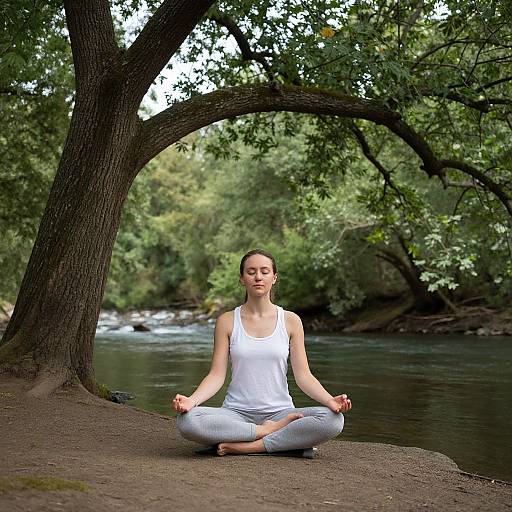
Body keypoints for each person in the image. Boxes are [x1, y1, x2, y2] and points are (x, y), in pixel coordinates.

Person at [171, 249, 352, 456]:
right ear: (242, 278)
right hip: (235, 413)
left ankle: (251, 445)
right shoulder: (227, 321)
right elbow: (216, 375)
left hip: (281, 413)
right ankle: (268, 434)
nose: (258, 277)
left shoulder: (291, 321)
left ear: (274, 278)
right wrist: (191, 401)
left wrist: (330, 401)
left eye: (264, 271)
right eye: (251, 271)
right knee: (188, 421)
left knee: (333, 420)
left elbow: (303, 376)